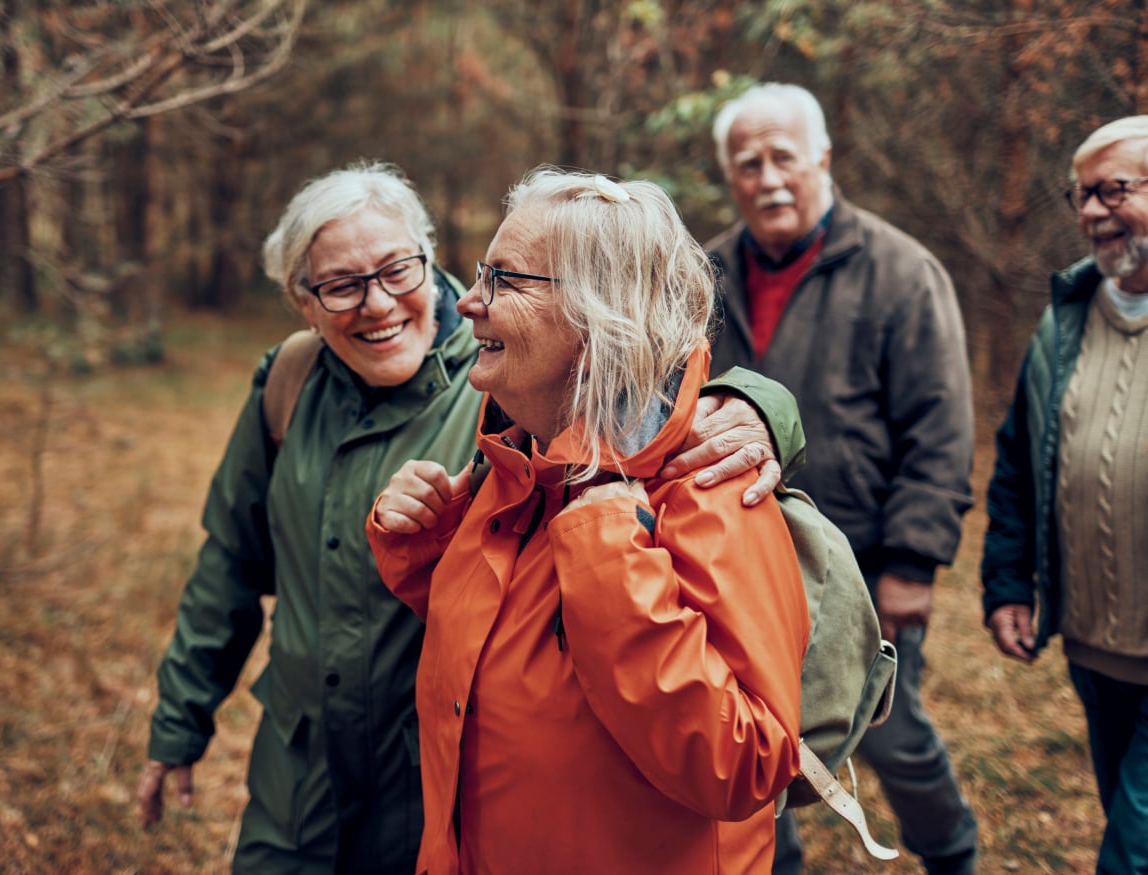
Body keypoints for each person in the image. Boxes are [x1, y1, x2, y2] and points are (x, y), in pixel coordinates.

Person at [136, 160, 806, 874]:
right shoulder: (499, 446)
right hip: (320, 789)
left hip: (422, 794)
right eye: (340, 285)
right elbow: (231, 569)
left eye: (399, 269)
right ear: (301, 301)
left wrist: (766, 409)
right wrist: (425, 549)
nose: (381, 302)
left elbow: (743, 765)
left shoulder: (607, 441)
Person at [366, 168, 812, 874]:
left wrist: (609, 556)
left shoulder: (711, 489)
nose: (468, 301)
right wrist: (428, 548)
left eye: (504, 280)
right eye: (480, 274)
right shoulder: (520, 465)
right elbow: (524, 656)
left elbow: (748, 762)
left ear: (599, 313)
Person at [705, 82, 978, 874]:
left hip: (860, 569)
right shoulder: (704, 274)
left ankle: (951, 853)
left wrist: (911, 562)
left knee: (892, 735)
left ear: (822, 157)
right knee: (749, 745)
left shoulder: (899, 269)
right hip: (737, 563)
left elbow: (939, 427)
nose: (766, 178)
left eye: (782, 157)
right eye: (746, 163)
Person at [981, 115, 1148, 875]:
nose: (1088, 212)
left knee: (1130, 852)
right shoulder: (1065, 319)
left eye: (1112, 189)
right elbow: (1017, 462)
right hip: (1095, 645)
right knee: (1125, 813)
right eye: (1079, 195)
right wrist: (1008, 582)